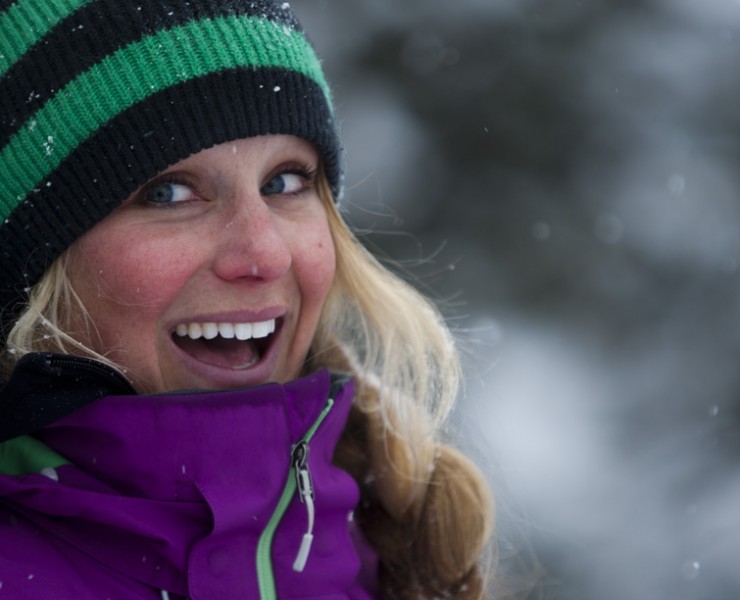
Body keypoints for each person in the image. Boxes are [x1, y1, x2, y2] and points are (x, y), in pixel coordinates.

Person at [0, 1, 494, 598]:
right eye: (170, 193)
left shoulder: (379, 548)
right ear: (30, 262)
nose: (265, 256)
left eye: (285, 181)